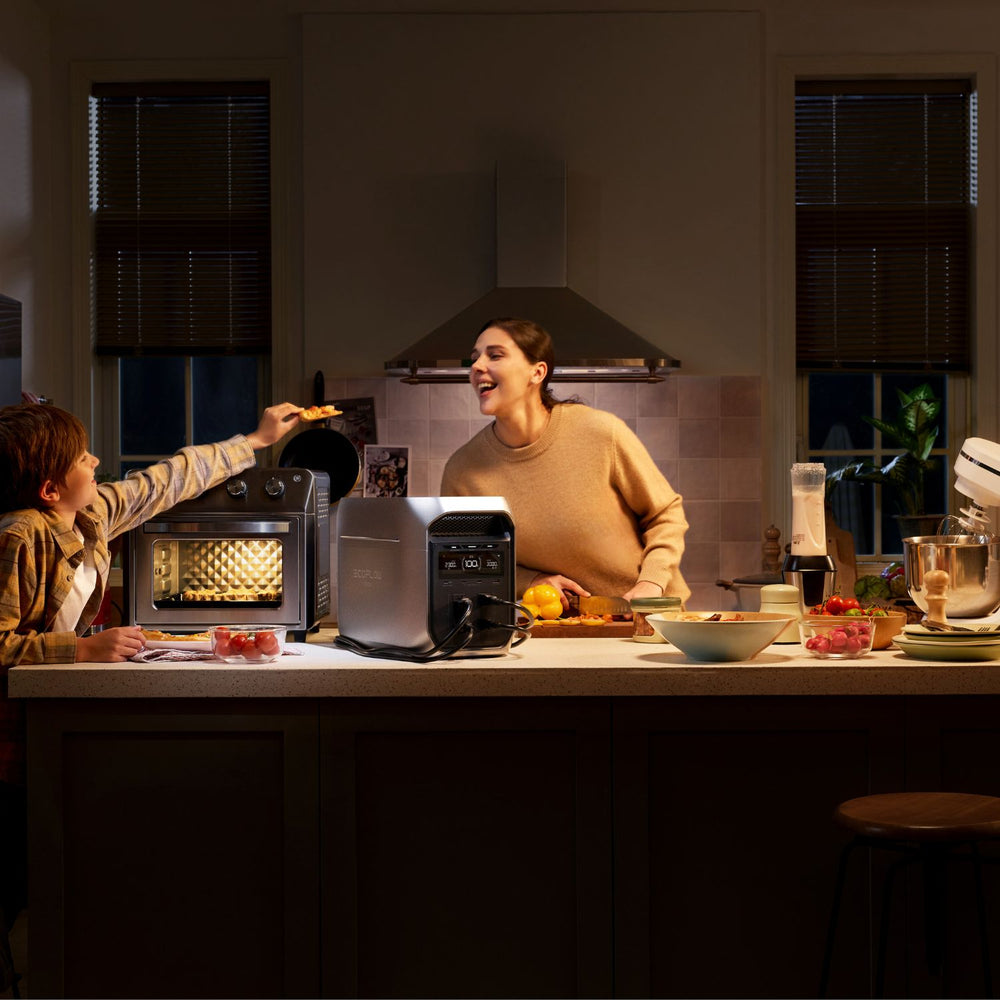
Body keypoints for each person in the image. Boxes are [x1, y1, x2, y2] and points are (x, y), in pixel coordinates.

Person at [0, 399, 307, 927]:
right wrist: (82, 649)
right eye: (81, 457)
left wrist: (255, 441)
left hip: (46, 713)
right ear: (50, 490)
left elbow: (164, 481)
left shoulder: (88, 516)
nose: (95, 461)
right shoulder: (18, 535)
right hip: (7, 737)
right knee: (20, 870)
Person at [440, 317, 690, 610]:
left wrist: (652, 583)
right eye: (474, 358)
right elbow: (462, 561)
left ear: (537, 372)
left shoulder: (600, 433)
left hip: (646, 618)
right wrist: (530, 581)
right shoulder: (463, 470)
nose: (477, 366)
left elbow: (665, 514)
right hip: (556, 627)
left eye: (495, 355)